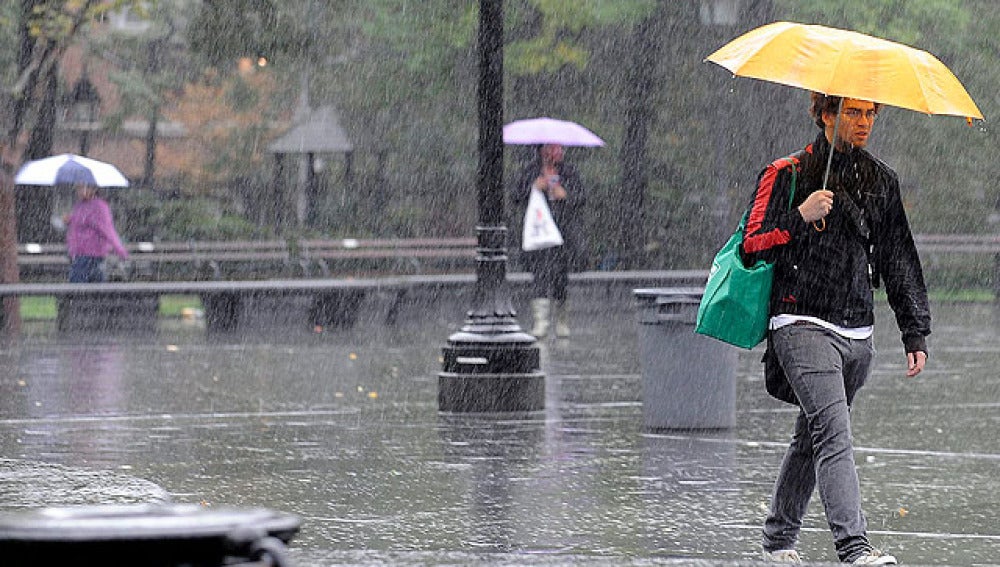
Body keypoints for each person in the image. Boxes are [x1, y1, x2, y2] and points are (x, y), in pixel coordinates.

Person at [741, 94, 930, 565]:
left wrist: (915, 330)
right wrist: (799, 217)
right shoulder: (785, 173)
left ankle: (778, 541)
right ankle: (854, 547)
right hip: (800, 322)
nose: (863, 122)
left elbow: (898, 258)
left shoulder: (881, 181)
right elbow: (751, 245)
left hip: (857, 333)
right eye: (852, 112)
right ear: (826, 114)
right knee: (833, 431)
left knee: (812, 434)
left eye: (870, 113)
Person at [509, 143, 587, 338]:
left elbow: (581, 198)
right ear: (543, 150)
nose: (558, 152)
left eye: (560, 148)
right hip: (539, 234)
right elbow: (516, 197)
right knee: (540, 276)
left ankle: (562, 321)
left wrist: (565, 195)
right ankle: (541, 322)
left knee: (560, 278)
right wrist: (534, 187)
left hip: (562, 234)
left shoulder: (569, 172)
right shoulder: (530, 171)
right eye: (553, 148)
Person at [63, 182, 129, 282]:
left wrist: (120, 250)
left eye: (83, 188)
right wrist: (69, 220)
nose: (79, 191)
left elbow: (107, 230)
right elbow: (80, 225)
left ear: (93, 189)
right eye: (78, 188)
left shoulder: (99, 207)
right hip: (78, 253)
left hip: (92, 254)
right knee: (92, 286)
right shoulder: (79, 205)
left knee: (78, 287)